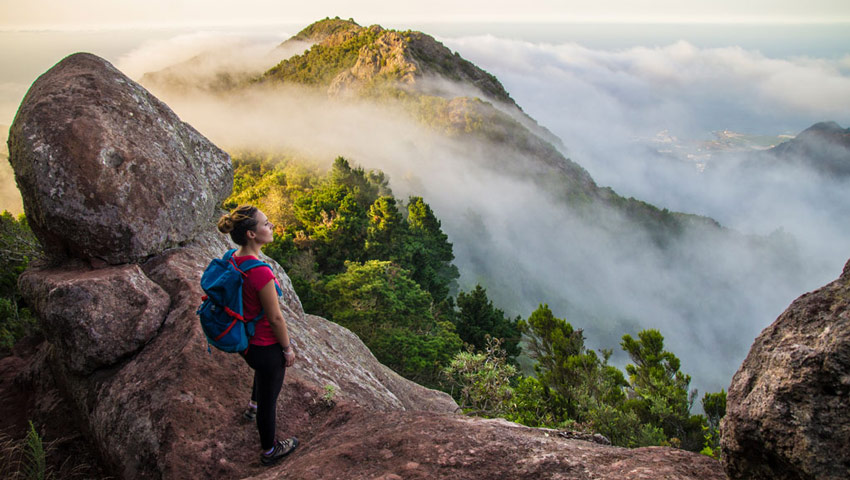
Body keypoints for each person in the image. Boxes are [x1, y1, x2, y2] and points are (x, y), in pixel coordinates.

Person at [217, 205, 299, 466]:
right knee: (269, 400)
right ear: (252, 234)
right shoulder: (260, 272)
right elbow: (275, 318)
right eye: (265, 224)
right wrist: (287, 349)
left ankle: (252, 406)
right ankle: (269, 450)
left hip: (246, 342)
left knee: (261, 377)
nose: (271, 226)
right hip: (266, 346)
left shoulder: (233, 257)